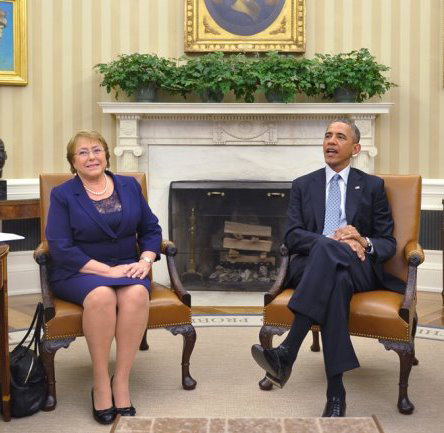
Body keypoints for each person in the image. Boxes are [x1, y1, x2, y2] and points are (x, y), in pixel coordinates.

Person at [251, 119, 405, 417]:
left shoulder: (372, 186)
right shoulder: (303, 184)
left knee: (336, 269)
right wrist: (335, 243)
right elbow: (292, 236)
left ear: (356, 148)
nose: (330, 142)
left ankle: (288, 352)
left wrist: (363, 240)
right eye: (327, 136)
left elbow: (388, 242)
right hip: (311, 266)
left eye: (340, 137)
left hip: (360, 266)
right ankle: (335, 391)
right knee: (333, 269)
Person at [46, 130, 162, 425]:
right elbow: (60, 247)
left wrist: (146, 259)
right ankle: (100, 383)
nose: (91, 157)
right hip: (80, 270)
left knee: (136, 293)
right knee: (101, 295)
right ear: (73, 162)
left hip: (128, 266)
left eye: (96, 150)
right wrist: (106, 271)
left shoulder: (128, 186)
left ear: (107, 155)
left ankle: (120, 381)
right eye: (82, 152)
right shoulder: (63, 194)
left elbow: (150, 229)